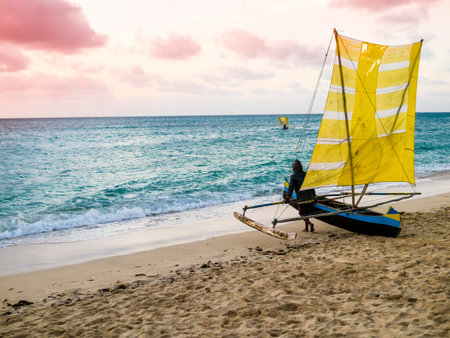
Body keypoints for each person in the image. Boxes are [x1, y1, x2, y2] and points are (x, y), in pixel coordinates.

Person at [284, 159, 316, 232]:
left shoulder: (293, 177)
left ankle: (310, 224)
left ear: (294, 168)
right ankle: (306, 228)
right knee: (306, 214)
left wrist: (287, 198)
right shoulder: (306, 174)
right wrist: (314, 196)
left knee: (302, 214)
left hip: (302, 199)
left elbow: (290, 188)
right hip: (310, 197)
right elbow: (312, 187)